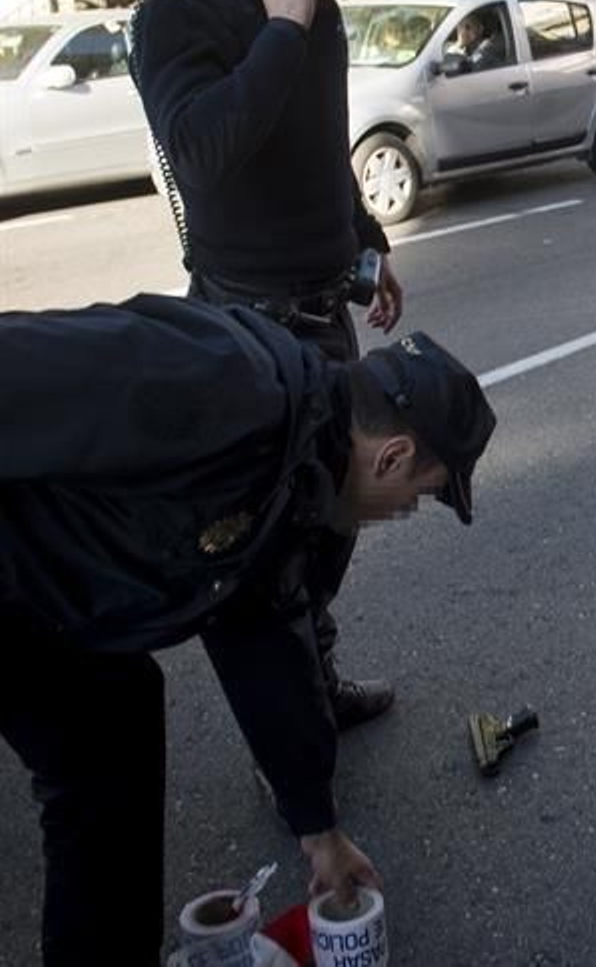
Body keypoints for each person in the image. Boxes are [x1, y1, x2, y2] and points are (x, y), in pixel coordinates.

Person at [0, 294, 496, 966]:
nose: (405, 509)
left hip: (41, 582)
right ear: (392, 456)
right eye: (420, 494)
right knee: (99, 744)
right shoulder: (219, 383)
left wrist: (316, 827)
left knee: (112, 725)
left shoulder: (291, 470)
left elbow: (258, 631)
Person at [134, 0, 404, 731]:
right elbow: (204, 155)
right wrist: (282, 26)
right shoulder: (179, 13)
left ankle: (312, 677)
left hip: (326, 306)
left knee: (340, 518)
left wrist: (371, 243)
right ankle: (290, 724)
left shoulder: (320, 4)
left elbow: (324, 148)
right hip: (243, 331)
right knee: (265, 544)